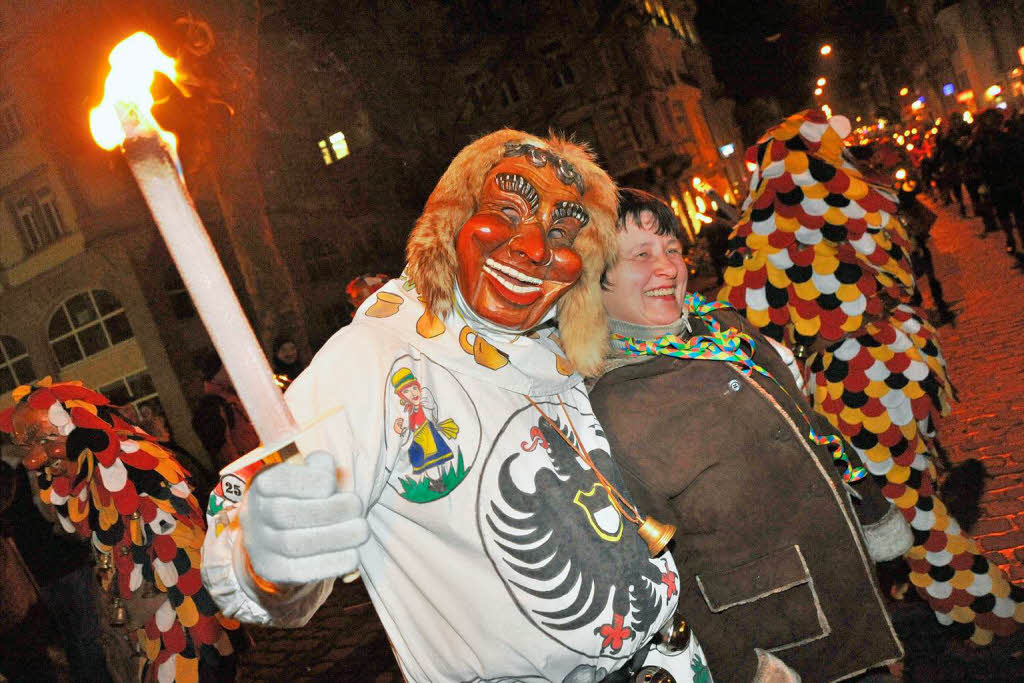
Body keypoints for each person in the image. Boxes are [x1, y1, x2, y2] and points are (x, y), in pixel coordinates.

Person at [202, 130, 708, 681]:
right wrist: (265, 556)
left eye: (561, 231)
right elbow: (253, 530)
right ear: (451, 225)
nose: (535, 249)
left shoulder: (554, 349)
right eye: (506, 212)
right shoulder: (376, 356)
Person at [588, 189, 908, 682]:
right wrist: (737, 665)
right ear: (595, 279)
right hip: (780, 640)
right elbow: (649, 574)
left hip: (851, 591)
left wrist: (870, 508)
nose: (668, 268)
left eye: (672, 249)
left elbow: (807, 424)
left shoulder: (722, 328)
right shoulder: (610, 403)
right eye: (641, 256)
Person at [0, 379, 245, 682]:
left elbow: (181, 549)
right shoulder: (86, 474)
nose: (34, 458)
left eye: (45, 440)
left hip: (187, 616)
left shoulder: (137, 460)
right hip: (145, 621)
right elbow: (73, 523)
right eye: (26, 446)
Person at [191, 351, 260, 468]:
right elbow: (225, 451)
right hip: (250, 467)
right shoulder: (213, 407)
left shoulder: (230, 396)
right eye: (226, 368)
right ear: (215, 375)